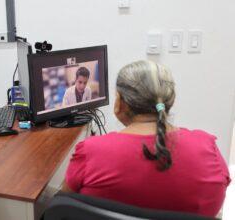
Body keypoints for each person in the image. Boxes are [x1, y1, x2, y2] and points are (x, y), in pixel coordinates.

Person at [62, 60, 231, 217]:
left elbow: (62, 205)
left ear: (120, 102)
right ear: (169, 100)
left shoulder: (91, 151)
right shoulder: (207, 149)